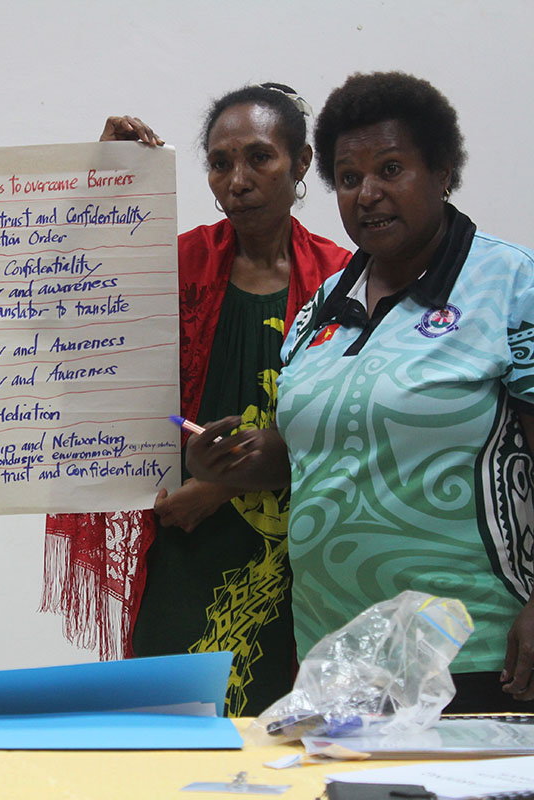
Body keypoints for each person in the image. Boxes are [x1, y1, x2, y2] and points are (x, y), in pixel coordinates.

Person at [187, 71, 534, 712]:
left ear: (443, 172)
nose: (368, 194)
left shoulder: (509, 283)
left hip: (478, 658)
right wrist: (235, 460)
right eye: (349, 179)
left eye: (391, 169)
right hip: (335, 663)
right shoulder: (323, 305)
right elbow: (306, 458)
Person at [43, 84, 350, 715]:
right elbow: (66, 306)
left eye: (259, 158)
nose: (237, 179)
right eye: (219, 162)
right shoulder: (179, 262)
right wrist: (104, 183)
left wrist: (223, 485)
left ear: (301, 163)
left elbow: (353, 433)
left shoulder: (344, 278)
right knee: (171, 725)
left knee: (289, 724)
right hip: (184, 536)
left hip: (304, 547)